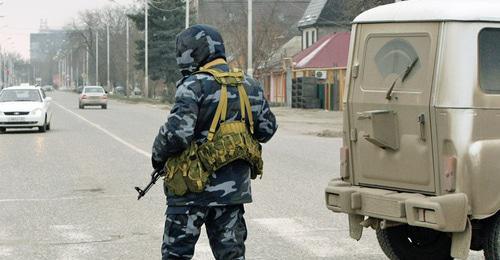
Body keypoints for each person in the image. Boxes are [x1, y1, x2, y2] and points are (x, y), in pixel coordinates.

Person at [151, 24, 277, 260]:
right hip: (232, 194)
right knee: (231, 256)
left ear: (192, 53)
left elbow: (177, 134)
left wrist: (157, 156)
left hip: (190, 193)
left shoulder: (193, 85)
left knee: (176, 255)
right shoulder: (249, 85)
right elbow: (267, 131)